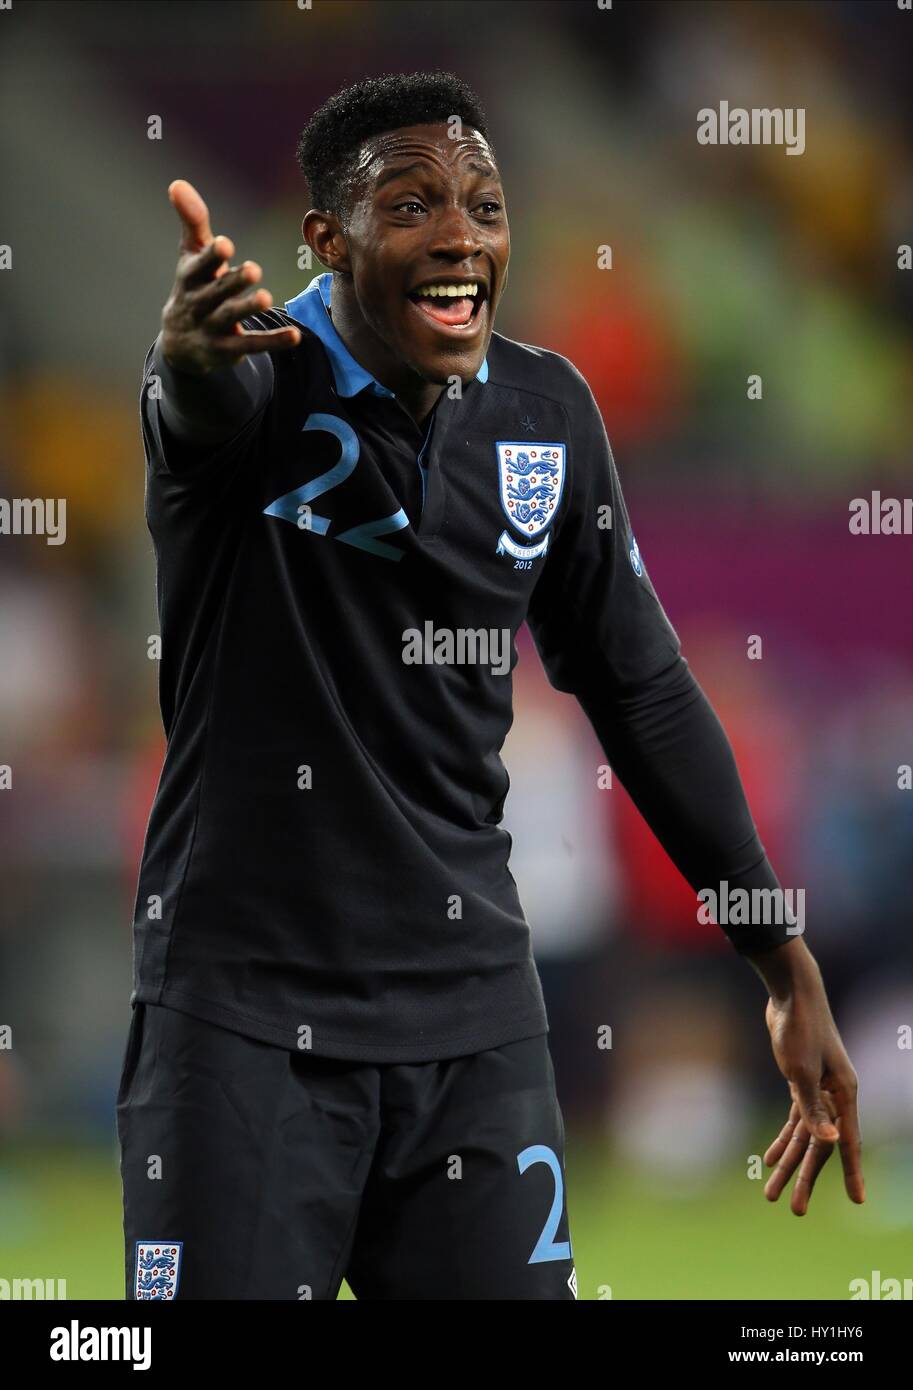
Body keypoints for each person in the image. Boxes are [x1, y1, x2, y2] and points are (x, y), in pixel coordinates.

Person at [117, 72, 863, 1302]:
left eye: (485, 204)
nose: (461, 234)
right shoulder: (252, 379)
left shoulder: (545, 411)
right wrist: (183, 360)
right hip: (241, 1018)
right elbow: (194, 411)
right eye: (411, 205)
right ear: (327, 240)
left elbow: (645, 692)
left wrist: (777, 953)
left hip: (471, 1020)